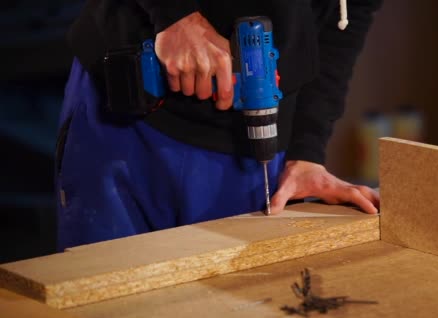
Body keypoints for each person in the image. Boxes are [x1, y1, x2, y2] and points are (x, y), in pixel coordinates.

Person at [56, 0, 382, 250]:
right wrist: (175, 14)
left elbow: (345, 20)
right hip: (130, 118)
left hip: (250, 153)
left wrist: (306, 153)